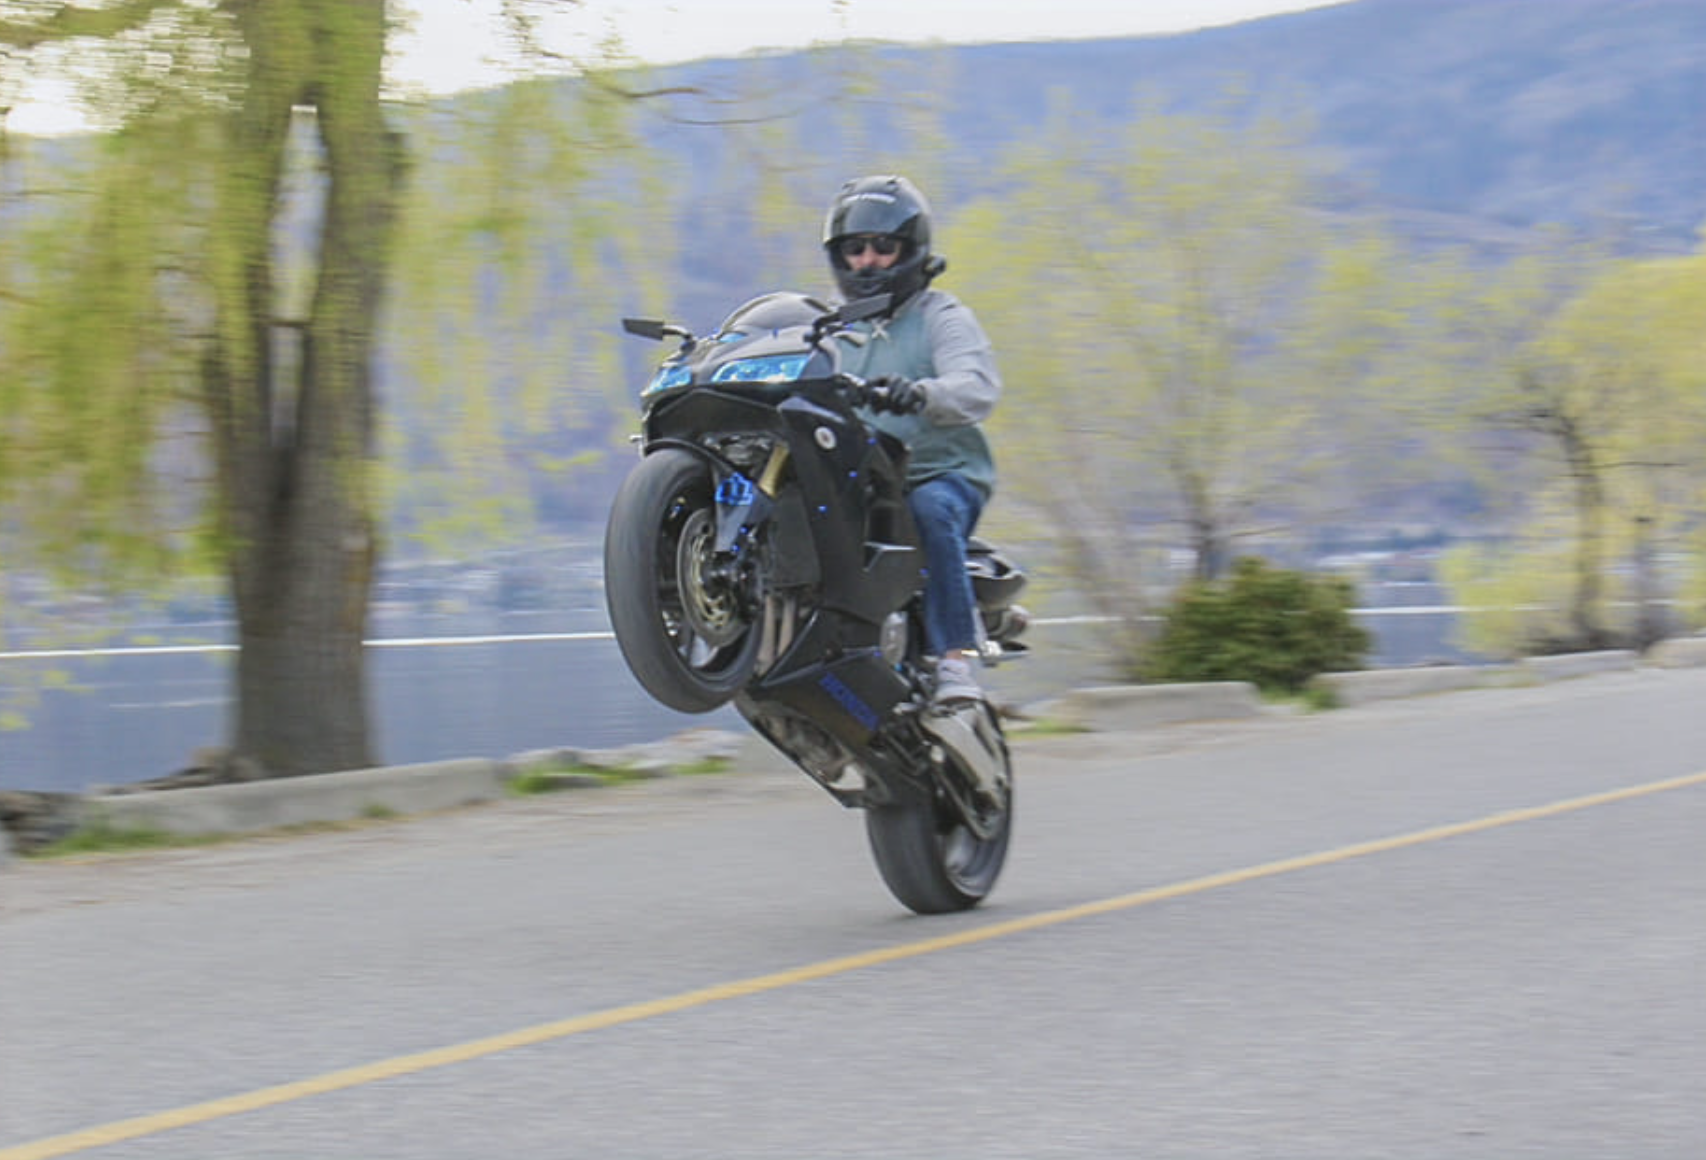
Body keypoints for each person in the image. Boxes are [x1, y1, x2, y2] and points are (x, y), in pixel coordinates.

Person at [822, 174, 1001, 707]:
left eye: (884, 247)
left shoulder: (941, 317)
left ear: (910, 250)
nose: (868, 261)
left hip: (940, 473)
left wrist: (920, 394)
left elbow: (977, 388)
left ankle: (955, 662)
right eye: (855, 249)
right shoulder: (829, 327)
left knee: (928, 508)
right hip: (860, 478)